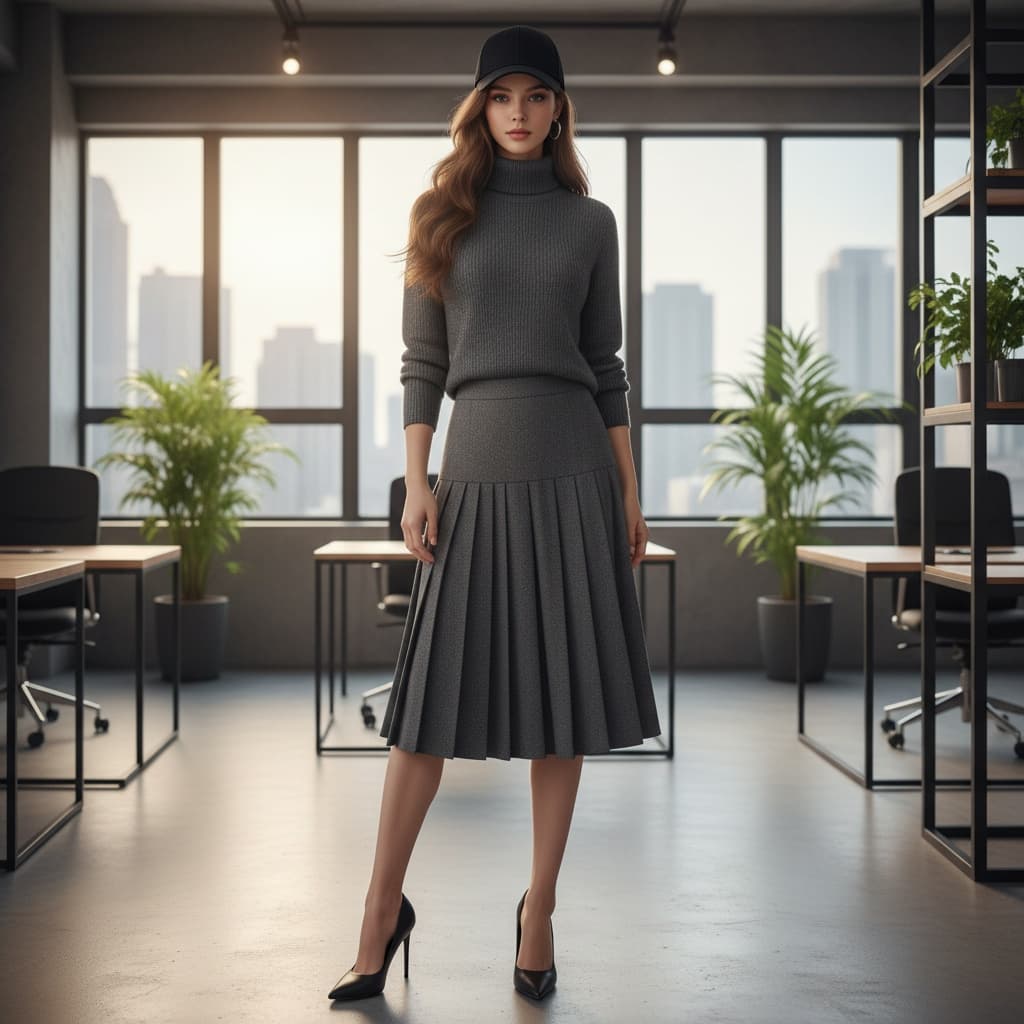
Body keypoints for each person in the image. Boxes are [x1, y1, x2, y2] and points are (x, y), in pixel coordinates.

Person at [329, 24, 662, 1004]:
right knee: (422, 714)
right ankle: (379, 914)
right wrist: (417, 481)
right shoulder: (441, 213)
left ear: (559, 109)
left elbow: (605, 369)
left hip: (572, 467)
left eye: (537, 95)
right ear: (480, 108)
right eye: (502, 95)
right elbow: (421, 365)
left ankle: (541, 911)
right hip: (471, 468)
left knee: (561, 708)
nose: (518, 111)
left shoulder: (590, 222)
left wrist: (630, 494)